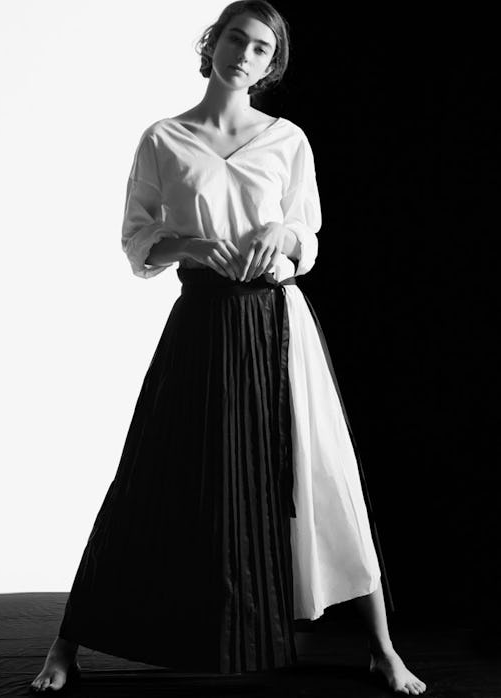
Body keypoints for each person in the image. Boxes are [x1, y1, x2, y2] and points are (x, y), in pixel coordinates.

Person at [30, 1, 427, 694]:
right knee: (151, 477)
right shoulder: (164, 138)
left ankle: (383, 651)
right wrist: (191, 244)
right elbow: (135, 238)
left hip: (276, 326)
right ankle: (64, 649)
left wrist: (285, 237)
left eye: (260, 48)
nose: (244, 54)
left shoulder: (287, 139)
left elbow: (307, 234)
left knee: (325, 482)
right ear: (212, 45)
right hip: (203, 321)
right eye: (235, 39)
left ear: (271, 66)